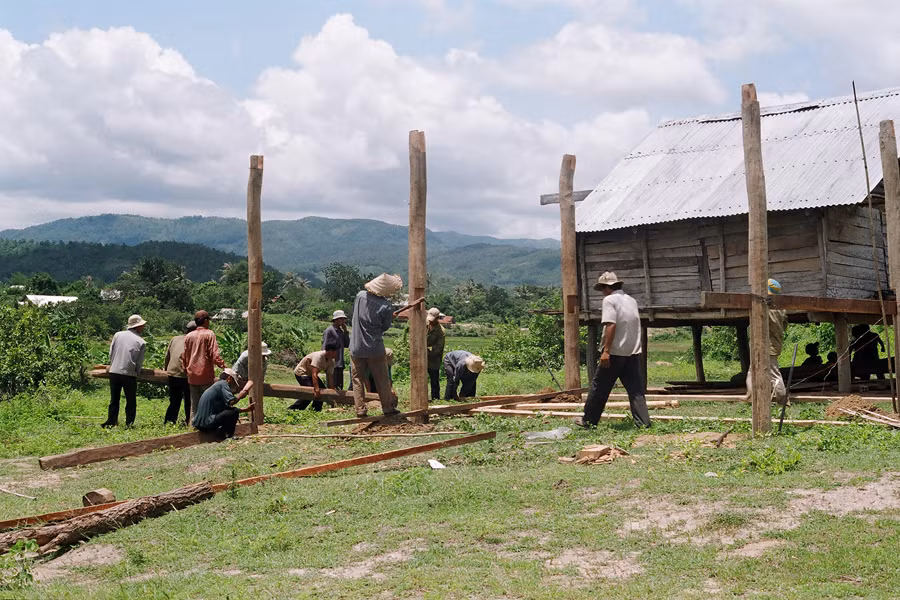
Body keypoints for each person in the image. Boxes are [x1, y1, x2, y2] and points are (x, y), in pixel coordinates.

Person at [575, 272, 651, 428]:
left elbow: (611, 325)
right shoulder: (631, 301)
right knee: (635, 390)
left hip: (615, 353)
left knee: (599, 387)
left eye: (602, 289)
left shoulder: (609, 300)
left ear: (607, 287)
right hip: (632, 352)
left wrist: (606, 351)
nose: (602, 292)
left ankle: (588, 420)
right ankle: (644, 423)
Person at [349, 273, 401, 418]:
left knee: (357, 379)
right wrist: (389, 318)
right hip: (375, 348)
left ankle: (360, 409)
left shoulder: (360, 296)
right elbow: (384, 327)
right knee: (382, 379)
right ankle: (387, 408)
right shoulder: (386, 306)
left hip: (356, 347)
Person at [744, 278, 788, 405]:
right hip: (774, 344)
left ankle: (781, 397)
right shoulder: (782, 309)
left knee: (773, 374)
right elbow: (785, 326)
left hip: (766, 345)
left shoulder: (764, 308)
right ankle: (751, 396)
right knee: (753, 371)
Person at [102, 314, 147, 428]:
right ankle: (129, 423)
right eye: (142, 326)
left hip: (114, 371)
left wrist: (113, 365)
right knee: (130, 400)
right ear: (137, 327)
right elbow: (139, 362)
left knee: (114, 399)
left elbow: (111, 353)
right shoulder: (141, 342)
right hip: (129, 373)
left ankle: (111, 421)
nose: (143, 328)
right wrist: (136, 373)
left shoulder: (118, 335)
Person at [181, 310, 226, 419]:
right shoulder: (209, 334)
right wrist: (224, 367)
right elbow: (215, 355)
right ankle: (208, 427)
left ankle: (193, 427)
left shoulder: (188, 336)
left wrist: (186, 370)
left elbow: (184, 356)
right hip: (205, 375)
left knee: (194, 404)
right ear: (205, 321)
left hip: (192, 376)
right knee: (209, 402)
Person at [192, 369, 254, 439]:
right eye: (233, 382)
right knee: (234, 412)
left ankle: (222, 434)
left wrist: (245, 410)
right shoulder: (223, 384)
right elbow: (232, 402)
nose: (233, 385)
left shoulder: (217, 386)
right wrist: (241, 394)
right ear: (229, 378)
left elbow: (226, 410)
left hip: (200, 425)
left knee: (232, 411)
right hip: (207, 423)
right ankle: (226, 436)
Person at [163, 320, 196, 425]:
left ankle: (169, 421)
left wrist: (166, 370)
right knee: (189, 400)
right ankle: (189, 420)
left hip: (172, 373)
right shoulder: (195, 340)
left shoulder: (175, 339)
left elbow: (167, 357)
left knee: (174, 400)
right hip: (185, 375)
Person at [289, 344, 338, 411]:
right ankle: (294, 409)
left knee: (322, 390)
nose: (337, 354)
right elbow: (314, 374)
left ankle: (316, 409)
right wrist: (316, 389)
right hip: (302, 373)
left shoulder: (331, 361)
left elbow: (330, 376)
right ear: (330, 352)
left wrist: (332, 390)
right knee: (310, 391)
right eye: (336, 352)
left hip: (310, 374)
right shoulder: (318, 357)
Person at [322, 310, 351, 389]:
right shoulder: (329, 331)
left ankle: (338, 400)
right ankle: (331, 400)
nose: (343, 321)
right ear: (336, 320)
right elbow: (324, 346)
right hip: (332, 362)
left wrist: (345, 332)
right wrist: (326, 360)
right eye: (341, 319)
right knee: (332, 384)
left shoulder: (341, 332)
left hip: (340, 361)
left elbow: (347, 344)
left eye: (343, 319)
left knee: (339, 385)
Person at [426, 308, 446, 401]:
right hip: (422, 356)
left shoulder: (441, 331)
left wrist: (428, 352)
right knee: (420, 379)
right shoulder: (424, 324)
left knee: (434, 379)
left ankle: (435, 399)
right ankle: (422, 397)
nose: (430, 322)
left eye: (433, 320)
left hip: (434, 359)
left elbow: (438, 347)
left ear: (438, 318)